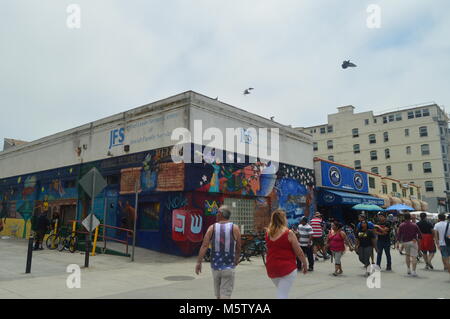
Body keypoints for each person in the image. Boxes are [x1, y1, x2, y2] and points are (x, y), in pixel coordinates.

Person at [195, 205, 242, 299]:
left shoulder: (212, 228)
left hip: (215, 267)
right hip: (229, 267)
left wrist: (199, 262)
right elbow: (238, 247)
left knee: (218, 295)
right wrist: (236, 259)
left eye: (217, 212)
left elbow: (204, 246)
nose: (216, 214)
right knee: (225, 295)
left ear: (221, 214)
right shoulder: (235, 228)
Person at [265, 209, 307, 299]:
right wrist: (305, 263)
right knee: (282, 295)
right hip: (287, 268)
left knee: (282, 292)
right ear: (283, 219)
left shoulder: (268, 233)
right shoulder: (289, 233)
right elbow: (299, 251)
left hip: (272, 267)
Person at [397, 212, 422, 277]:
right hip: (413, 241)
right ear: (410, 218)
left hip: (405, 242)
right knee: (414, 256)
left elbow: (399, 235)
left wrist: (398, 243)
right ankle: (414, 271)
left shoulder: (401, 225)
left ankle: (408, 269)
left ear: (404, 218)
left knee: (407, 256)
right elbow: (420, 235)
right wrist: (418, 241)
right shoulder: (414, 225)